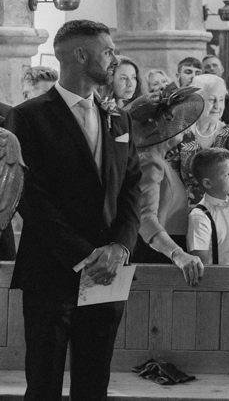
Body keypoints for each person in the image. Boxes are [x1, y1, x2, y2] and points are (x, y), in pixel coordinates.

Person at [4, 20, 142, 399]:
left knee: (94, 386)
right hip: (51, 270)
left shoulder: (119, 118)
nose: (114, 59)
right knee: (44, 385)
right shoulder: (29, 116)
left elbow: (132, 189)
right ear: (80, 55)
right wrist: (85, 256)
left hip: (108, 271)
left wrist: (119, 247)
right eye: (107, 51)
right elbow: (31, 198)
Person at [128, 85, 205, 284]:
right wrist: (178, 254)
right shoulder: (149, 161)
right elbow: (145, 218)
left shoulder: (157, 158)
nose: (184, 126)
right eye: (177, 120)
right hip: (157, 254)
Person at [169, 74, 229, 205]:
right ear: (196, 102)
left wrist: (219, 213)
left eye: (221, 100)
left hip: (227, 209)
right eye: (212, 100)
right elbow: (172, 185)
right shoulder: (179, 136)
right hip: (187, 210)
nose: (218, 106)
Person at [187, 148, 229, 266]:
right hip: (215, 276)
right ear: (208, 183)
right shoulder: (199, 217)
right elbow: (201, 264)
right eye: (228, 174)